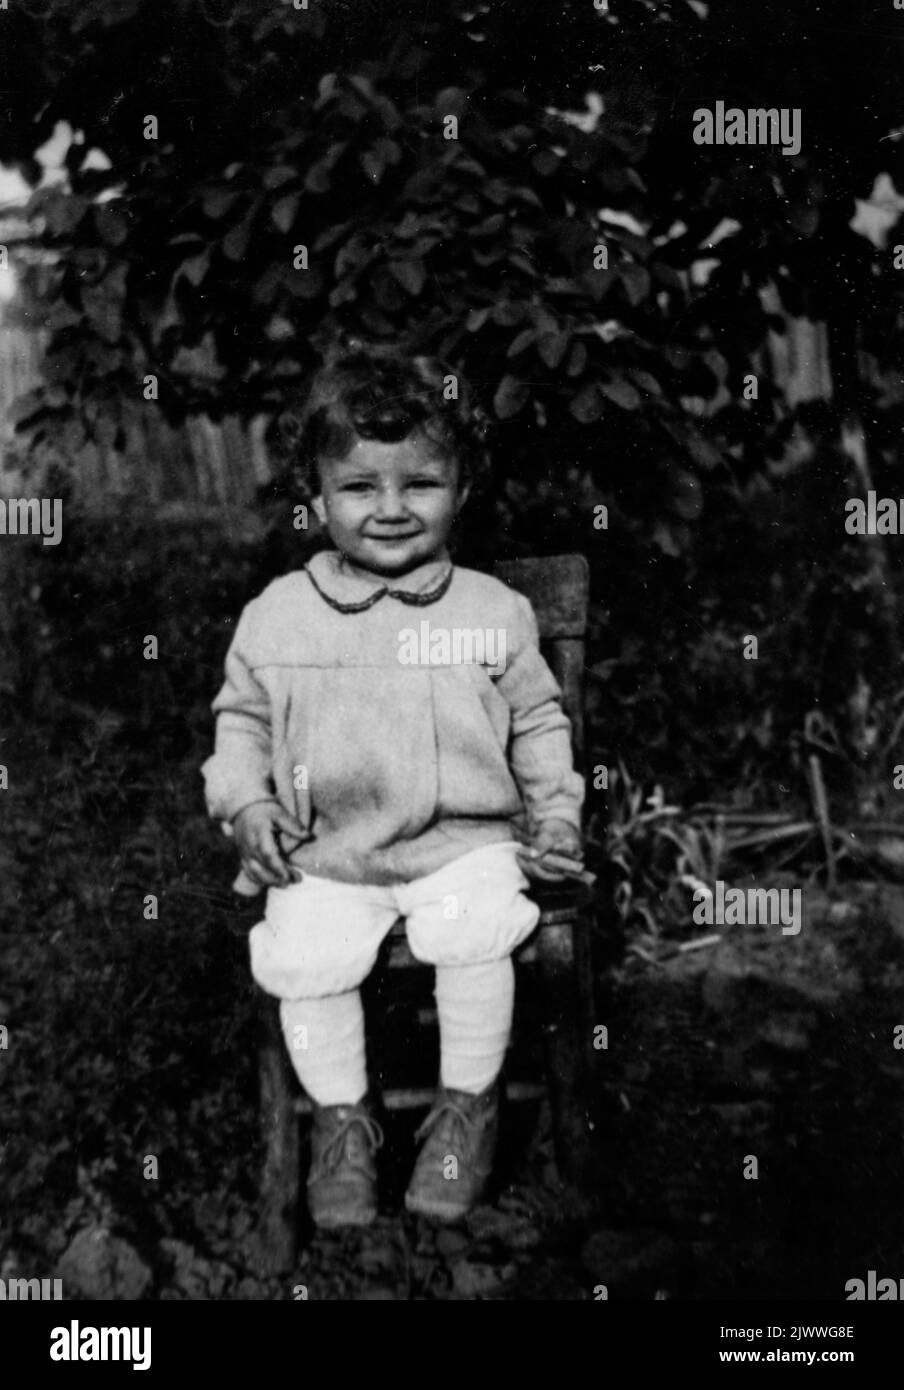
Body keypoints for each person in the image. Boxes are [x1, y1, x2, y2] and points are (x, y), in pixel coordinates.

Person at [202, 345, 585, 1228]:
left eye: (419, 484)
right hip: (330, 847)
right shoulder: (279, 614)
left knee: (474, 929)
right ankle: (342, 1119)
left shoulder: (492, 611)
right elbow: (241, 726)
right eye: (359, 488)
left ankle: (465, 1107)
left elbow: (537, 724)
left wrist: (557, 816)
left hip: (465, 842)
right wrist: (250, 802)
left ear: (461, 489)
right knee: (304, 946)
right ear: (317, 496)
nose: (389, 509)